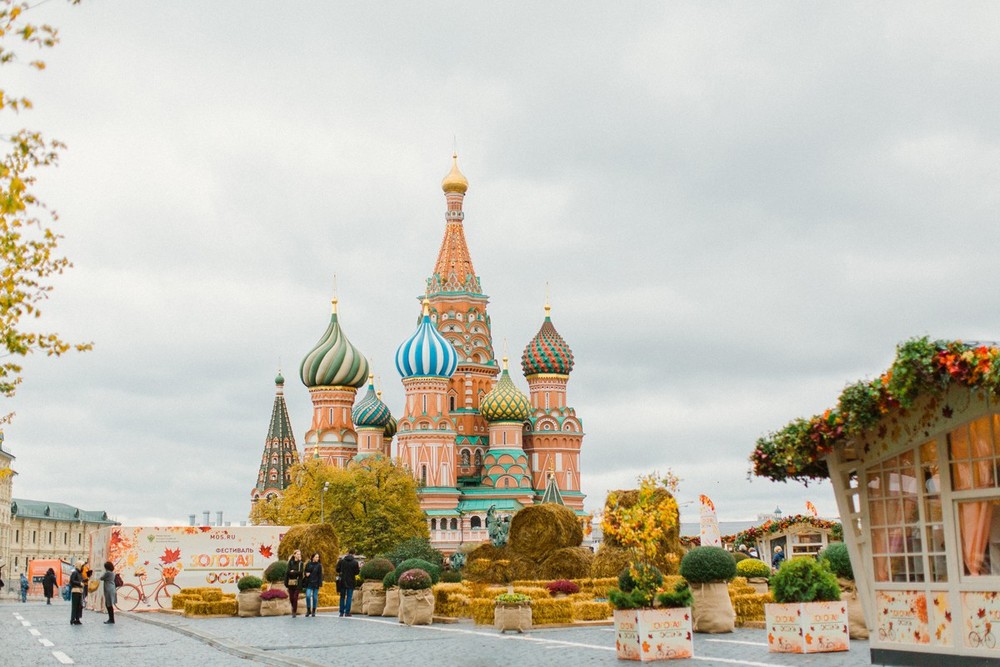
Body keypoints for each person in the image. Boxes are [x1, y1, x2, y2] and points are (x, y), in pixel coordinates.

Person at [336, 550, 360, 617]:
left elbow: (337, 569)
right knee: (349, 597)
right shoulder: (355, 562)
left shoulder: (341, 561)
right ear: (353, 554)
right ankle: (347, 612)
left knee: (342, 597)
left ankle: (341, 612)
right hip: (351, 581)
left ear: (348, 553)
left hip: (342, 581)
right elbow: (357, 572)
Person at [302, 553, 323, 618]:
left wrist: (320, 584)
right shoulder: (308, 564)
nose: (317, 558)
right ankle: (308, 610)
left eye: (318, 557)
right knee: (308, 596)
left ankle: (313, 610)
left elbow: (320, 575)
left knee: (314, 597)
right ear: (313, 557)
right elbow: (305, 571)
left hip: (316, 583)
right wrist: (306, 574)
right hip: (309, 583)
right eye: (316, 557)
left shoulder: (319, 565)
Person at [285, 549, 304, 618]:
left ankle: (294, 611)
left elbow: (301, 572)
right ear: (294, 555)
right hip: (291, 582)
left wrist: (294, 571)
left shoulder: (301, 563)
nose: (299, 555)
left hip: (298, 582)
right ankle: (293, 608)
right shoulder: (290, 562)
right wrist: (294, 572)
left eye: (300, 554)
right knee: (291, 598)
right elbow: (288, 572)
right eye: (298, 554)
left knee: (295, 597)